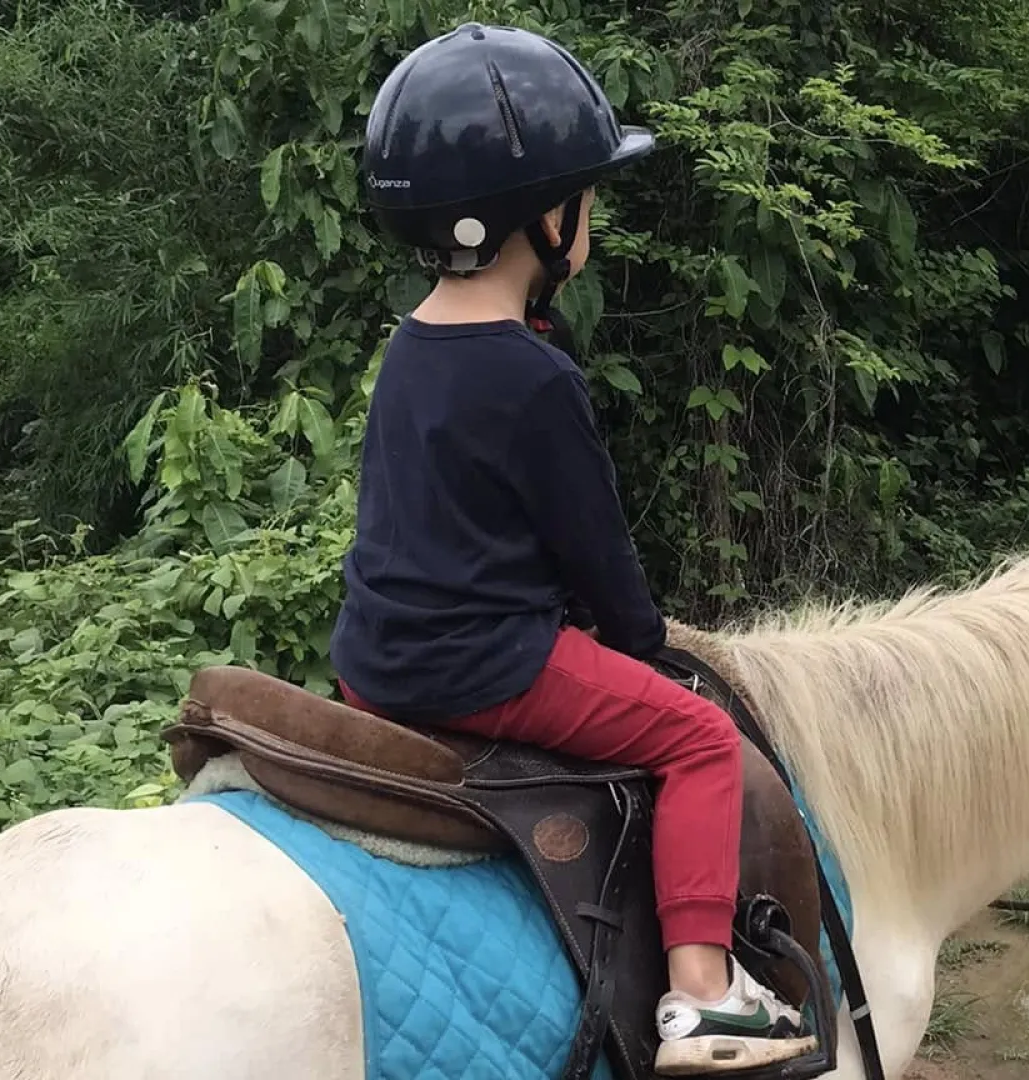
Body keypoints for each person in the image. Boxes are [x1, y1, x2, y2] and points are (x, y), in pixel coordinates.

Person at [327, 23, 816, 1076]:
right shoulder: (534, 375)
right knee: (699, 739)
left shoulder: (410, 346)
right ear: (546, 219)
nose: (589, 216)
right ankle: (704, 994)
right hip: (487, 665)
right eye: (585, 197)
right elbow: (597, 556)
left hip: (374, 662)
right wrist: (639, 640)